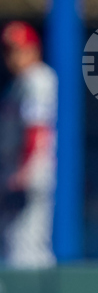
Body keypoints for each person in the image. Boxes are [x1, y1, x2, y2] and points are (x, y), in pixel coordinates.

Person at [0, 21, 56, 268]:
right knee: (14, 244)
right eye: (8, 50)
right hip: (15, 170)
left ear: (34, 50)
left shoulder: (37, 79)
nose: (13, 56)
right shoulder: (18, 84)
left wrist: (23, 174)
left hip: (29, 174)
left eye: (19, 49)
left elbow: (36, 128)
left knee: (27, 248)